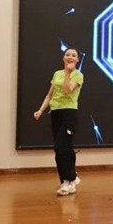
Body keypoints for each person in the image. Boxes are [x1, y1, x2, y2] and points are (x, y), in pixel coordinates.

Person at [33, 48, 84, 196]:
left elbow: (67, 90)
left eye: (74, 55)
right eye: (67, 54)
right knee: (61, 149)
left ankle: (70, 179)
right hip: (56, 113)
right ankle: (67, 181)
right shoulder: (56, 74)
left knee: (62, 146)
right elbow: (50, 95)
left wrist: (68, 73)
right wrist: (40, 110)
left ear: (77, 60)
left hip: (69, 113)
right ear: (63, 58)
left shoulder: (78, 75)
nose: (70, 57)